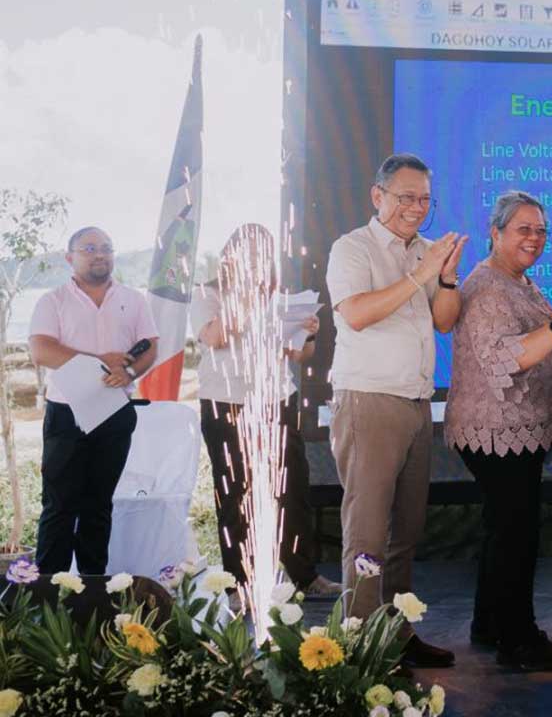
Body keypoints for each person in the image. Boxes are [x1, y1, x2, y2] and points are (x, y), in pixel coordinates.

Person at [446, 192, 552, 671]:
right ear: (495, 234)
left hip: (514, 432)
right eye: (523, 229)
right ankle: (519, 639)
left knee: (504, 530)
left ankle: (490, 624)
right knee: (516, 534)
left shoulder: (515, 279)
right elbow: (503, 360)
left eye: (540, 230)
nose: (534, 239)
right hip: (498, 433)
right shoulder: (490, 287)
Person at [325, 153, 467, 668]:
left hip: (415, 403)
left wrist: (445, 278)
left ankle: (397, 631)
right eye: (406, 196)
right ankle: (360, 645)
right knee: (366, 532)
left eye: (424, 198)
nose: (416, 207)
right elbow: (358, 314)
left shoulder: (427, 252)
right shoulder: (352, 248)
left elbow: (445, 323)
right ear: (377, 196)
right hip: (369, 401)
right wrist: (420, 274)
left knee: (405, 531)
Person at [192, 224, 342, 600]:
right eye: (249, 252)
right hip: (227, 403)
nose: (257, 260)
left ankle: (304, 576)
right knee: (235, 494)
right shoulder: (206, 294)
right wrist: (244, 292)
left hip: (276, 400)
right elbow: (216, 336)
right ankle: (237, 583)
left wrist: (306, 331)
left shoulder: (280, 299)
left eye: (263, 253)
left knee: (292, 490)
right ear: (231, 256)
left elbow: (298, 355)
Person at [28, 227, 159, 574]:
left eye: (107, 247)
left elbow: (150, 346)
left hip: (115, 412)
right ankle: (48, 598)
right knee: (59, 506)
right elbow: (42, 350)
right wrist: (99, 360)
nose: (100, 254)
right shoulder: (52, 300)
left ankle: (92, 591)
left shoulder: (134, 299)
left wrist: (129, 374)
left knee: (98, 506)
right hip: (66, 414)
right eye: (89, 248)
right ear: (69, 257)